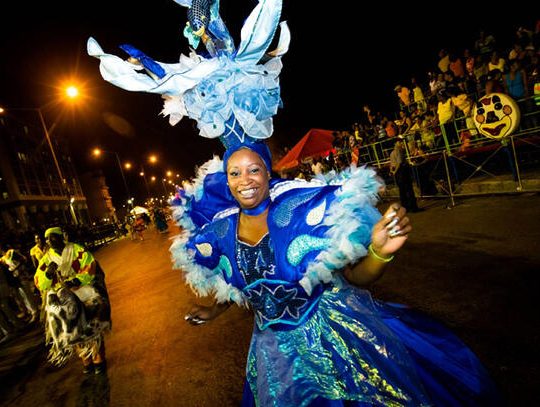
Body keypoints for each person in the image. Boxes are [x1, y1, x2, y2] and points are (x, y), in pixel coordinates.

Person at [90, 1, 500, 404]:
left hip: (338, 337)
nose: (245, 180)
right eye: (235, 173)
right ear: (225, 180)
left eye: (255, 171)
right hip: (276, 359)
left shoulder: (302, 211)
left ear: (269, 173)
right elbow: (250, 288)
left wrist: (378, 251)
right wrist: (216, 311)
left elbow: (356, 278)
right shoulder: (220, 229)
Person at [34, 227, 111, 374]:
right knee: (70, 330)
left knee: (92, 324)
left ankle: (99, 360)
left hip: (82, 288)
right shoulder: (45, 259)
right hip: (61, 294)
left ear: (61, 237)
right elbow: (40, 283)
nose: (49, 241)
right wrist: (48, 276)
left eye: (53, 237)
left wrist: (74, 281)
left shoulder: (76, 250)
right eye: (47, 239)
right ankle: (86, 362)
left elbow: (90, 268)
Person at [390, 139, 420, 212]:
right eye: (399, 142)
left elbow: (392, 163)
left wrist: (393, 171)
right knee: (409, 189)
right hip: (402, 171)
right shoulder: (399, 151)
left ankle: (405, 207)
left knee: (402, 191)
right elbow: (399, 163)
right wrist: (395, 171)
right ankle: (413, 207)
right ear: (395, 143)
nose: (401, 143)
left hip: (397, 172)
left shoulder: (392, 152)